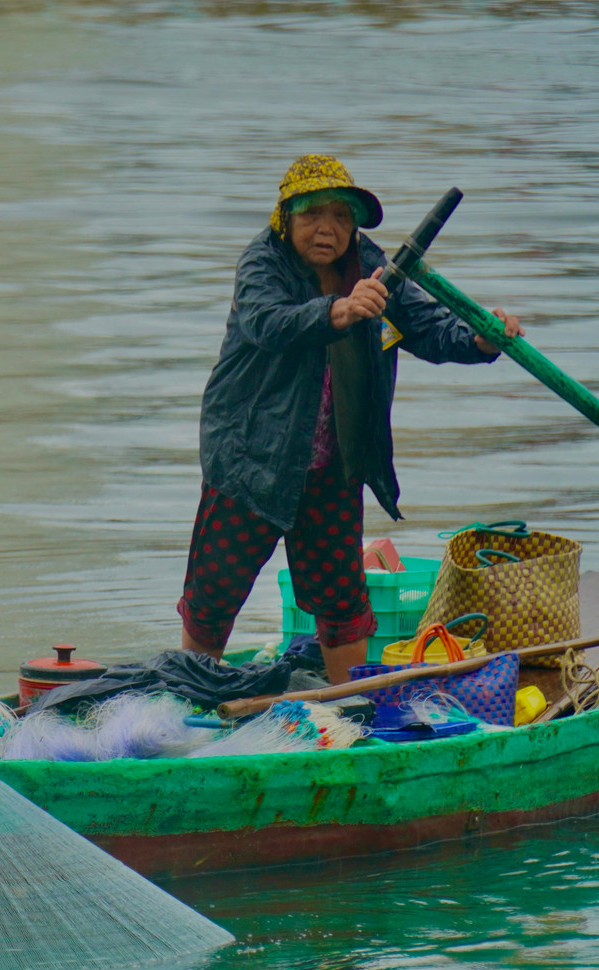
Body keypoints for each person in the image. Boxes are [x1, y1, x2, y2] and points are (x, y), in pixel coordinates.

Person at [180, 155, 524, 685]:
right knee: (214, 592)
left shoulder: (370, 264)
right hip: (251, 463)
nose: (328, 229)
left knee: (341, 601)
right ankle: (192, 690)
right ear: (285, 220)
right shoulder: (262, 263)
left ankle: (348, 708)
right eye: (313, 214)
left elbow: (426, 324)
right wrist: (338, 311)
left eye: (342, 217)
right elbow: (267, 322)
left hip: (332, 464)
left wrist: (478, 338)